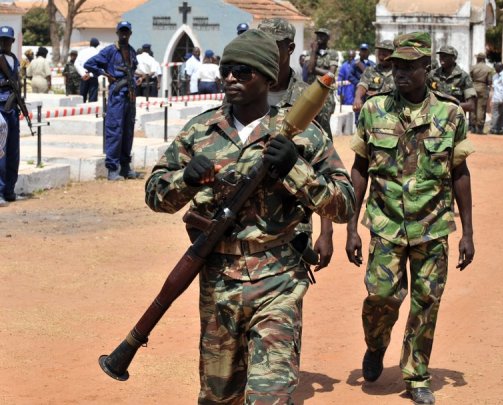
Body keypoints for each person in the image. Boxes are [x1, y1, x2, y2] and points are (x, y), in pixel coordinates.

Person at [145, 29, 355, 404]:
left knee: (269, 396)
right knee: (218, 397)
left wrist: (297, 170)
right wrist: (185, 178)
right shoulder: (200, 131)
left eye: (243, 72)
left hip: (278, 281)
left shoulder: (304, 137)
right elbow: (156, 194)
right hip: (218, 283)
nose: (230, 78)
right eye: (227, 70)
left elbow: (344, 204)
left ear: (267, 77)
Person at [345, 32, 475, 405]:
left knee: (426, 300)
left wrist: (468, 232)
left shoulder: (450, 114)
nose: (400, 72)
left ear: (426, 68)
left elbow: (460, 174)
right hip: (385, 224)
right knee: (381, 297)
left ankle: (416, 374)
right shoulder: (374, 110)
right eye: (396, 66)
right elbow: (360, 168)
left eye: (409, 66)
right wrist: (352, 227)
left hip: (433, 226)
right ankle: (376, 343)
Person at [258, 17, 337, 271]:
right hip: (243, 225)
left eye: (274, 45)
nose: (266, 51)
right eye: (261, 44)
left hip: (292, 228)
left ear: (290, 49)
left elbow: (325, 168)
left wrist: (327, 233)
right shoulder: (242, 93)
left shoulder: (310, 100)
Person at [84, 21, 139, 180]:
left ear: (130, 33)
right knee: (115, 130)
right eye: (121, 31)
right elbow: (89, 64)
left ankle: (125, 166)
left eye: (126, 32)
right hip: (117, 95)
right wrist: (105, 73)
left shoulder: (132, 51)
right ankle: (112, 168)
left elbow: (133, 70)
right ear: (117, 33)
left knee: (128, 131)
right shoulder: (109, 51)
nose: (124, 34)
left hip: (130, 95)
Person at [304, 28, 338, 139]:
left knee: (324, 122)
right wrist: (314, 51)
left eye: (322, 35)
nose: (319, 37)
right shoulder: (310, 53)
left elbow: (331, 74)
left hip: (326, 93)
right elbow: (309, 69)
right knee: (309, 121)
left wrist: (315, 69)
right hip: (311, 92)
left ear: (328, 38)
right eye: (318, 35)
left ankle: (328, 148)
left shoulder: (332, 53)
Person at [0, 26, 21, 206]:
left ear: (12, 42)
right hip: (0, 109)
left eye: (7, 40)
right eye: (1, 39)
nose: (4, 42)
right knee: (1, 152)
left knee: (13, 151)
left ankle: (10, 189)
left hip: (13, 109)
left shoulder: (15, 60)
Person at [428, 45, 477, 113]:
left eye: (445, 55)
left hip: (455, 119)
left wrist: (447, 106)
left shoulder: (463, 77)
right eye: (440, 55)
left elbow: (471, 105)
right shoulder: (432, 75)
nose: (441, 58)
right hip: (435, 118)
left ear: (453, 58)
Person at [352, 40, 395, 114]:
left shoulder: (399, 73)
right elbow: (362, 85)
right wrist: (357, 98)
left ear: (392, 55)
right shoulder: (370, 70)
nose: (381, 57)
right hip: (372, 114)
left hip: (392, 114)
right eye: (379, 54)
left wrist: (379, 95)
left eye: (384, 55)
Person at [349, 43, 375, 123]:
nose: (363, 53)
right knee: (358, 111)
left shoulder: (372, 64)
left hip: (369, 93)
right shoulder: (354, 63)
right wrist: (360, 83)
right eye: (362, 50)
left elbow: (374, 77)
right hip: (358, 91)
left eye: (365, 51)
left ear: (368, 52)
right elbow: (350, 76)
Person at [469, 52, 493, 134]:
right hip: (483, 88)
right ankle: (480, 127)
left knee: (473, 107)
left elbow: (469, 79)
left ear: (478, 59)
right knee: (481, 108)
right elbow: (489, 81)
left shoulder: (473, 67)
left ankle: (472, 127)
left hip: (473, 87)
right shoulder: (488, 69)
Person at [74, 37, 100, 102]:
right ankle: (93, 112)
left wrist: (83, 73)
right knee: (93, 99)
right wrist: (90, 74)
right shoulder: (98, 53)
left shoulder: (82, 51)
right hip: (93, 77)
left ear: (90, 44)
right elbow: (100, 66)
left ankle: (82, 111)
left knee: (82, 98)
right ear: (97, 45)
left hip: (84, 77)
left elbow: (76, 64)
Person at [489, 62, 503, 135]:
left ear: (501, 67)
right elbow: (494, 88)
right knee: (495, 114)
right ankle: (495, 129)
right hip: (496, 98)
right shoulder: (495, 76)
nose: (495, 68)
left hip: (502, 99)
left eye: (496, 67)